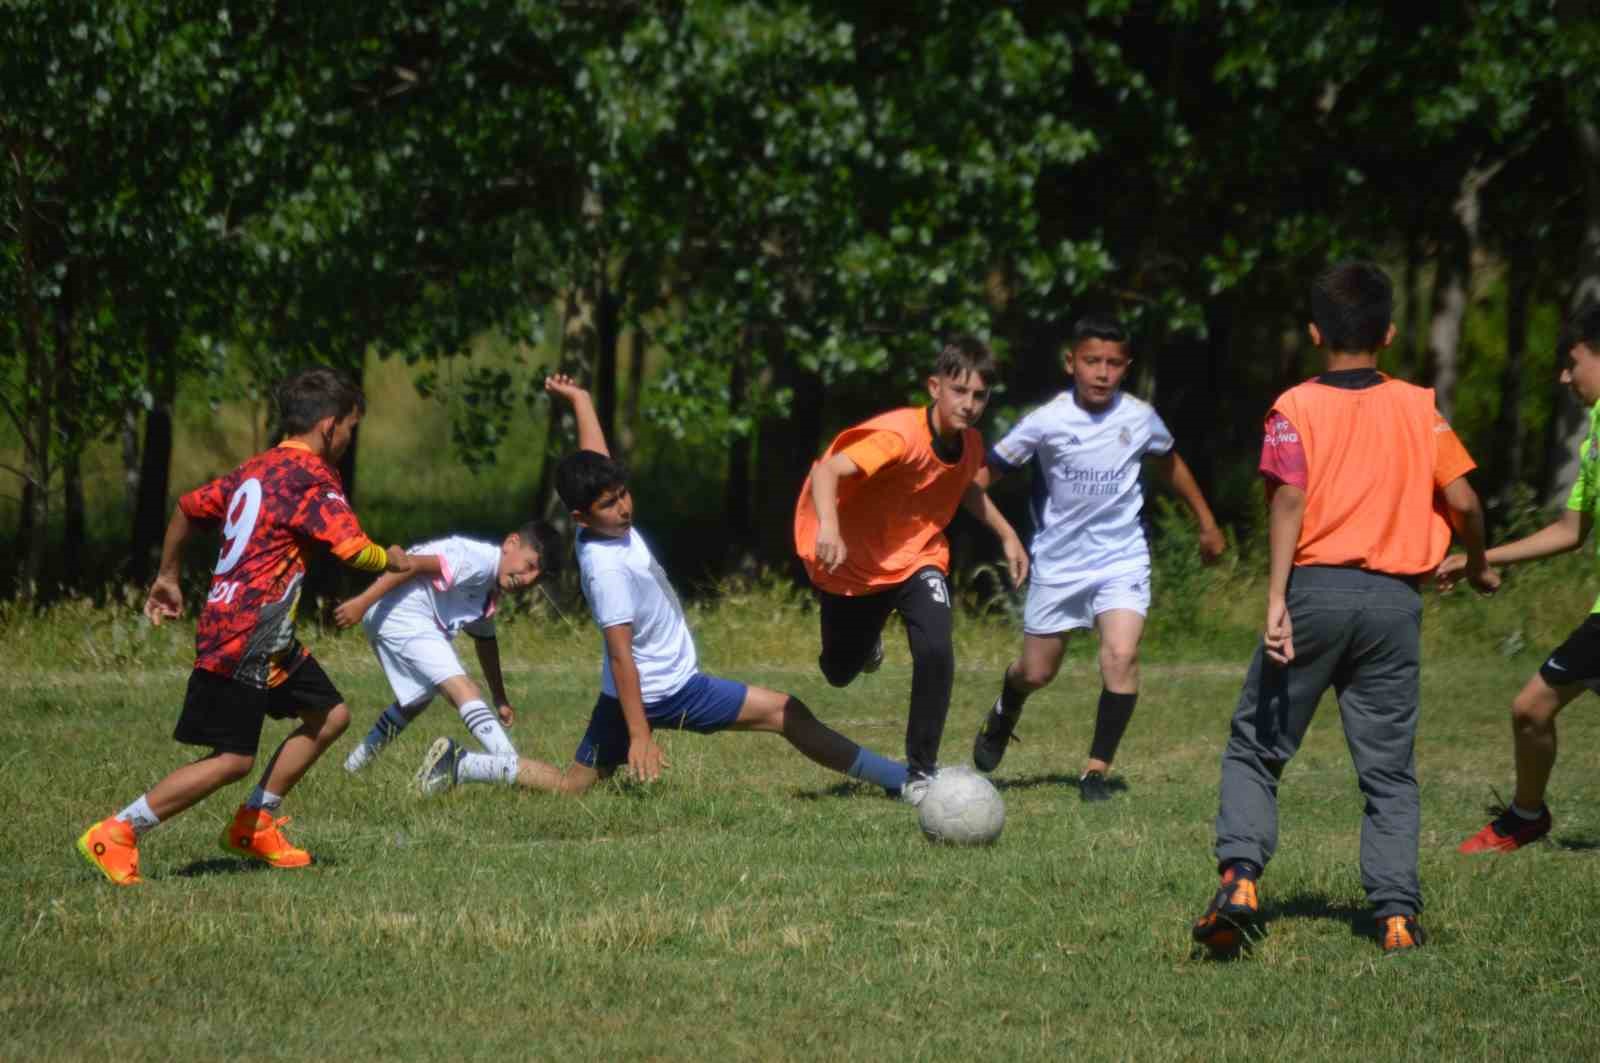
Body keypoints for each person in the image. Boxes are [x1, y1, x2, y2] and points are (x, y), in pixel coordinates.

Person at [1189, 262, 1496, 955]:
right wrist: (1475, 562)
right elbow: (1469, 501)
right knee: (1387, 769)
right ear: (1389, 333)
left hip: (1315, 593)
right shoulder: (1422, 407)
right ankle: (1395, 916)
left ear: (1314, 331)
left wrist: (1274, 598)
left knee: (1256, 747)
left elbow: (1290, 499)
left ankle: (1239, 879)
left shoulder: (1295, 406)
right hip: (1395, 603)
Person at [413, 377, 909, 799]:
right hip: (665, 690)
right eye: (610, 503)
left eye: (623, 494)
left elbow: (597, 458)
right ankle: (898, 779)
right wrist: (640, 736)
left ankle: (463, 765)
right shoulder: (606, 571)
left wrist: (581, 400)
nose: (625, 507)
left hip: (627, 692)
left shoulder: (601, 524)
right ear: (582, 515)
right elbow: (621, 655)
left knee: (572, 787)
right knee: (786, 711)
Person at [75, 368, 411, 885]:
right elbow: (352, 549)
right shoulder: (311, 477)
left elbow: (187, 508)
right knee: (232, 758)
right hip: (244, 637)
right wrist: (390, 558)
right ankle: (118, 831)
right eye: (350, 428)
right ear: (328, 426)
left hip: (261, 636)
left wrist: (168, 575)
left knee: (330, 714)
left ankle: (255, 821)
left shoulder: (256, 469)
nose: (349, 438)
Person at [969, 315, 1225, 800]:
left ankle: (1095, 772)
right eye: (1092, 361)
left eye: (1113, 363)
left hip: (1121, 559)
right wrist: (1006, 536)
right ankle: (1006, 708)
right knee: (1037, 672)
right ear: (1072, 364)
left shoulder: (1139, 417)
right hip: (1059, 564)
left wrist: (1207, 523)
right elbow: (979, 481)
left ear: (1125, 368)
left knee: (1121, 655)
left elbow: (1172, 465)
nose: (1102, 372)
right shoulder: (1046, 421)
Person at [793, 337, 1029, 804]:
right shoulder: (900, 436)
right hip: (856, 566)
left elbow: (965, 489)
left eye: (979, 395)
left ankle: (921, 771)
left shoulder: (970, 444)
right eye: (959, 391)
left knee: (937, 648)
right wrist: (832, 529)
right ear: (934, 387)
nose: (969, 404)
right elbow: (826, 472)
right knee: (838, 671)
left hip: (919, 559)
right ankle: (867, 643)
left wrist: (1007, 535)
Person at [1441, 302, 1600, 854]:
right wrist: (1479, 559)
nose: (1564, 375)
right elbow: (1570, 530)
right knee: (1531, 708)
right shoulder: (1595, 434)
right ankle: (1526, 817)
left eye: (1573, 361)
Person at [333, 516, 555, 777]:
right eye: (529, 565)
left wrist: (499, 697)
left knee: (417, 699)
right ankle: (515, 769)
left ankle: (352, 768)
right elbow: (410, 564)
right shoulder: (478, 560)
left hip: (400, 618)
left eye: (536, 578)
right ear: (511, 543)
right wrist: (362, 602)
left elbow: (485, 641)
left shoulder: (490, 588)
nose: (528, 579)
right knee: (463, 688)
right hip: (400, 614)